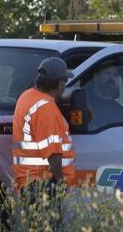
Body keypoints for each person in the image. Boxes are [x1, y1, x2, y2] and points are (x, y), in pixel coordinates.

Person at [12, 57, 77, 190]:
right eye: (65, 81)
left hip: (30, 181)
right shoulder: (46, 108)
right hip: (43, 183)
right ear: (60, 83)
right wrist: (60, 183)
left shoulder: (27, 96)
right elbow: (53, 153)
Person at [86, 64, 123, 129]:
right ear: (96, 76)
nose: (112, 78)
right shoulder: (85, 105)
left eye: (116, 75)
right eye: (107, 73)